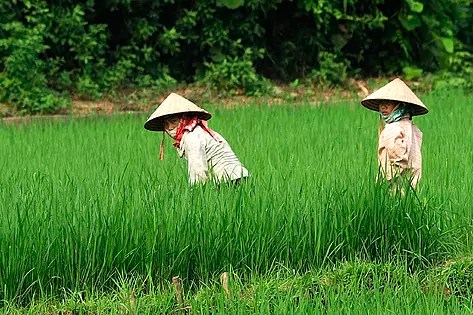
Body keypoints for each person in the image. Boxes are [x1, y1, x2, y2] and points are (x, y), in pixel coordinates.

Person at [144, 93, 249, 185]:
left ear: (184, 119)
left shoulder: (192, 137)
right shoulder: (197, 132)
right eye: (166, 124)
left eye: (174, 121)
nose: (170, 127)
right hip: (235, 177)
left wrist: (195, 197)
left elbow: (198, 172)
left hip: (231, 180)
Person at [361, 78, 429, 189]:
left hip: (395, 186)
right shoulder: (412, 128)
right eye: (381, 103)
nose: (383, 106)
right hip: (411, 185)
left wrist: (384, 182)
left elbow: (398, 160)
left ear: (400, 105)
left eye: (388, 103)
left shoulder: (393, 129)